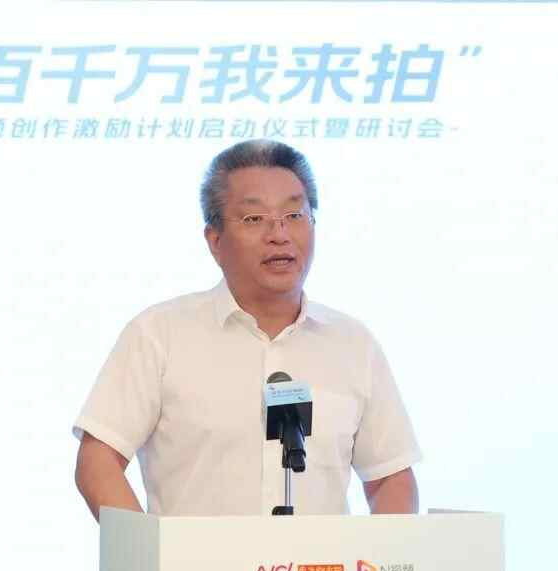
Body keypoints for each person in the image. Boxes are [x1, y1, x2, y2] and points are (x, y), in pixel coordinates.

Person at [73, 140, 420, 519]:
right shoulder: (159, 334)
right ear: (215, 240)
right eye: (254, 219)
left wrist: (381, 555)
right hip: (196, 560)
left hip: (322, 561)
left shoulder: (352, 344)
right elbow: (98, 461)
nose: (279, 234)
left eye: (294, 215)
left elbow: (391, 478)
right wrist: (147, 550)